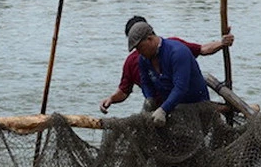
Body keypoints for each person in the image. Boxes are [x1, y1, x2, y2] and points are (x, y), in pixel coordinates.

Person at [99, 15, 234, 114]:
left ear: (149, 37)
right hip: (160, 107)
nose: (138, 51)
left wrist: (222, 43)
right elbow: (126, 90)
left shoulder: (176, 50)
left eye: (139, 46)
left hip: (190, 105)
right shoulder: (138, 60)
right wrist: (149, 100)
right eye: (135, 47)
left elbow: (202, 50)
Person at [127, 22, 212, 127]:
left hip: (195, 105)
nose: (139, 52)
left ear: (150, 39)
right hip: (170, 107)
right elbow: (146, 83)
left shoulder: (177, 53)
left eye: (140, 48)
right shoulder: (143, 59)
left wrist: (163, 110)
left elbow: (180, 88)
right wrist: (150, 99)